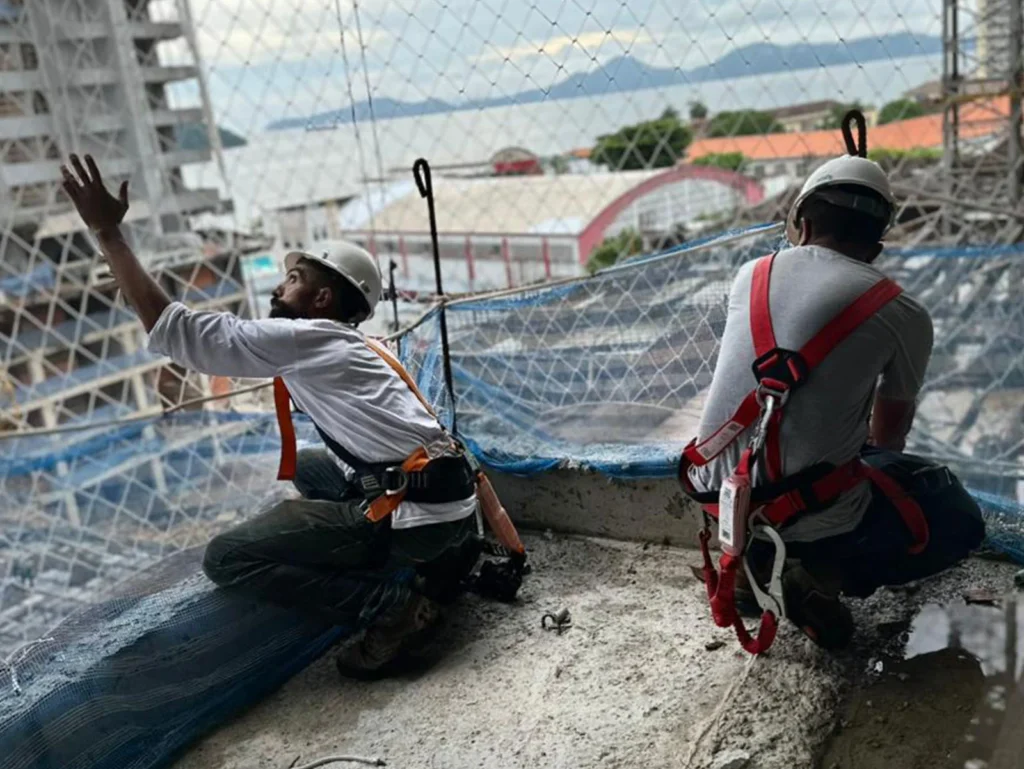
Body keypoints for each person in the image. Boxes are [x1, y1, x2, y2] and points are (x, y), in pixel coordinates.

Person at [60, 154, 482, 677]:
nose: (277, 288)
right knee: (306, 467)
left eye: (293, 279)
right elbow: (181, 329)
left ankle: (391, 609)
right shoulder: (353, 344)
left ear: (322, 298)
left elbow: (186, 335)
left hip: (419, 515)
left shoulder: (306, 339)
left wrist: (109, 233)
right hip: (447, 498)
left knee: (227, 558)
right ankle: (418, 551)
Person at [681, 153, 985, 649]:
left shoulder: (749, 275)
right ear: (878, 245)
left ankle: (742, 566)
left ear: (800, 223)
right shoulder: (903, 312)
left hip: (716, 493)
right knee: (956, 515)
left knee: (802, 460)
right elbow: (890, 436)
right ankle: (820, 575)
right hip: (811, 511)